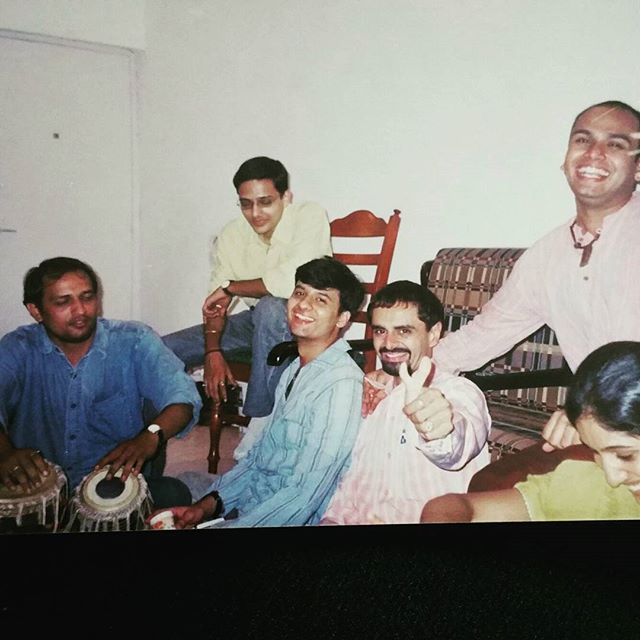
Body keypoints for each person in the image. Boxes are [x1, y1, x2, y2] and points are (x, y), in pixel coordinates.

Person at [429, 100, 640, 452]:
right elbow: (480, 337)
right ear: (565, 158)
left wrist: (588, 409)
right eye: (583, 140)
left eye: (616, 144)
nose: (594, 154)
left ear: (638, 168)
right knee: (464, 501)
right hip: (595, 438)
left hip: (619, 430)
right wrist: (406, 374)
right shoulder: (547, 255)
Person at [150, 256, 366, 528]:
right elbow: (258, 460)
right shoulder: (294, 369)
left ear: (343, 318)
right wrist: (207, 507)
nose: (303, 305)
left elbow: (303, 497)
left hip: (283, 519)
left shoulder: (341, 385)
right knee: (172, 491)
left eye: (321, 300)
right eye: (300, 292)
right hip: (252, 504)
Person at [0, 257, 201, 510]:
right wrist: (6, 453)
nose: (81, 310)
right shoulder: (18, 348)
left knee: (174, 493)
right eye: (63, 302)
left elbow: (183, 399)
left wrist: (149, 436)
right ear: (36, 311)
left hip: (108, 481)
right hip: (35, 483)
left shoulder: (134, 340)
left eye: (87, 297)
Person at [162, 157, 332, 442]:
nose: (255, 213)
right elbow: (215, 300)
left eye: (265, 201)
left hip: (311, 324)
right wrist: (212, 352)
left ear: (286, 197)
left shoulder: (309, 215)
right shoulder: (232, 233)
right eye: (245, 203)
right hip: (259, 323)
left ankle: (259, 424)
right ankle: (146, 437)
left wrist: (230, 288)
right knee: (164, 349)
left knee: (270, 306)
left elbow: (289, 281)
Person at [320, 281, 491, 525]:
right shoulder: (375, 399)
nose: (388, 343)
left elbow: (455, 448)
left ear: (433, 334)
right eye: (380, 331)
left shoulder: (459, 392)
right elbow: (352, 484)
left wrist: (436, 428)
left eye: (404, 331)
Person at [421, 341, 640, 522]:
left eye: (625, 455)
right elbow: (451, 507)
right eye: (595, 451)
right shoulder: (589, 482)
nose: (612, 478)